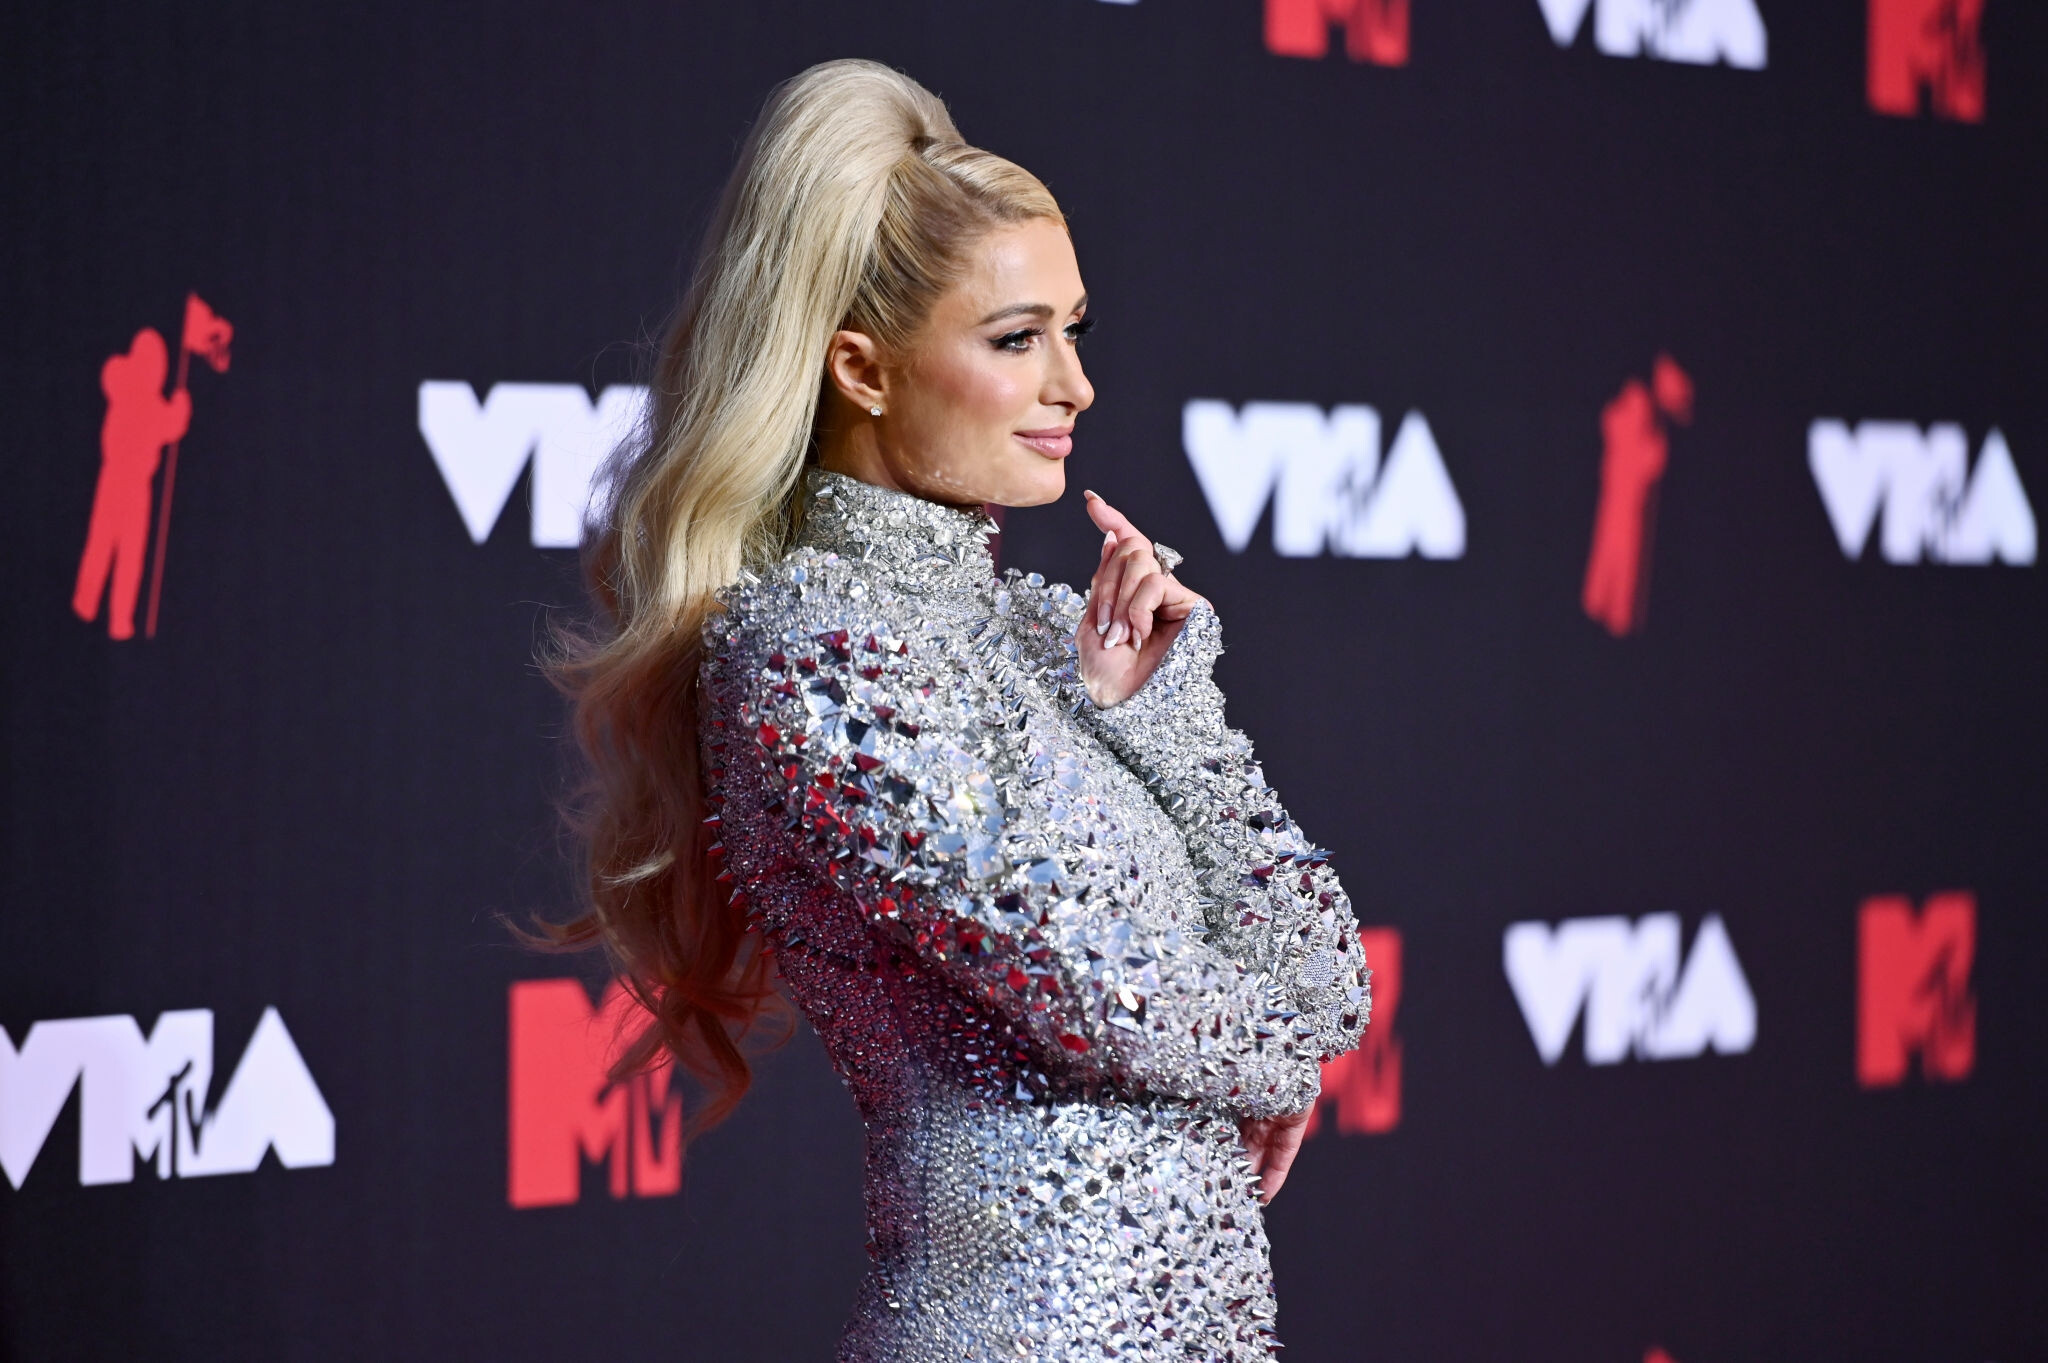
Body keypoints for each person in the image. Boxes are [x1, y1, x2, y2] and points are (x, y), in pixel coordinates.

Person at [548, 58, 1369, 1362]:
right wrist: (1271, 1055)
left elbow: (1321, 975)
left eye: (1075, 330)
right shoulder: (813, 659)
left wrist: (1168, 720)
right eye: (1017, 339)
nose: (1074, 386)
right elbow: (1127, 1002)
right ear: (862, 370)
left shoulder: (1054, 635)